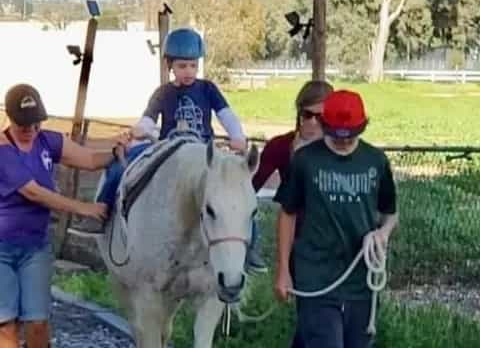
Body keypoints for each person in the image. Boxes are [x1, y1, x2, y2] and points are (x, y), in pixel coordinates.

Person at [0, 84, 128, 348]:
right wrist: (84, 208)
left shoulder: (48, 141)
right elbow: (34, 193)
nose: (31, 130)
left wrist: (115, 151)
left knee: (38, 322)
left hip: (35, 246)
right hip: (1, 247)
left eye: (35, 123)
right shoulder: (3, 149)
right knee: (6, 324)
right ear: (10, 120)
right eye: (24, 124)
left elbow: (90, 159)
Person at [85, 27, 247, 234]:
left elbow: (227, 115)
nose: (188, 70)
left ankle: (250, 244)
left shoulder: (208, 89)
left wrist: (238, 137)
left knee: (237, 184)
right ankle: (102, 212)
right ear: (170, 65)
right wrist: (139, 130)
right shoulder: (163, 93)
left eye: (193, 65)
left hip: (204, 148)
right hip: (167, 146)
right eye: (182, 66)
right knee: (119, 165)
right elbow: (148, 120)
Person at [274, 90, 399, 348]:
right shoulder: (305, 161)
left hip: (360, 277)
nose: (344, 142)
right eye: (337, 135)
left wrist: (382, 234)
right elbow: (288, 214)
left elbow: (390, 213)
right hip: (316, 273)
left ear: (362, 127)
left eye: (351, 135)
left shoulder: (375, 161)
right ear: (323, 124)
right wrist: (284, 271)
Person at [248, 80, 333, 274]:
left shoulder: (339, 148)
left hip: (332, 233)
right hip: (295, 232)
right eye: (307, 115)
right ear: (299, 114)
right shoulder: (280, 146)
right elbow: (251, 188)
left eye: (320, 117)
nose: (312, 122)